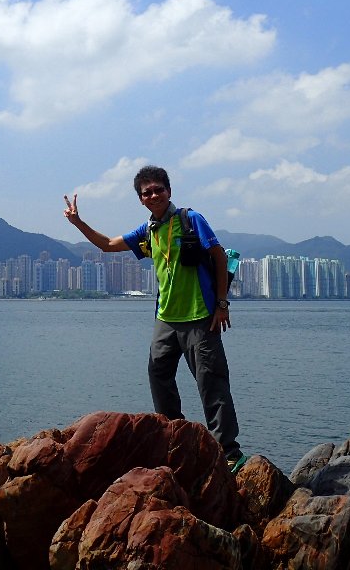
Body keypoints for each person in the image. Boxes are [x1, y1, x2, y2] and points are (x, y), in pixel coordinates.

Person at [63, 164, 247, 472]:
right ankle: (175, 436)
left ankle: (229, 451)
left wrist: (222, 303)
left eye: (158, 189)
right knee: (158, 376)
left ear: (169, 191)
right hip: (166, 319)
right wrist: (78, 222)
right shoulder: (148, 231)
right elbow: (108, 245)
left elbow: (218, 256)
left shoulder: (191, 219)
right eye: (146, 192)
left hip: (200, 316)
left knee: (211, 382)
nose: (153, 195)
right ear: (141, 199)